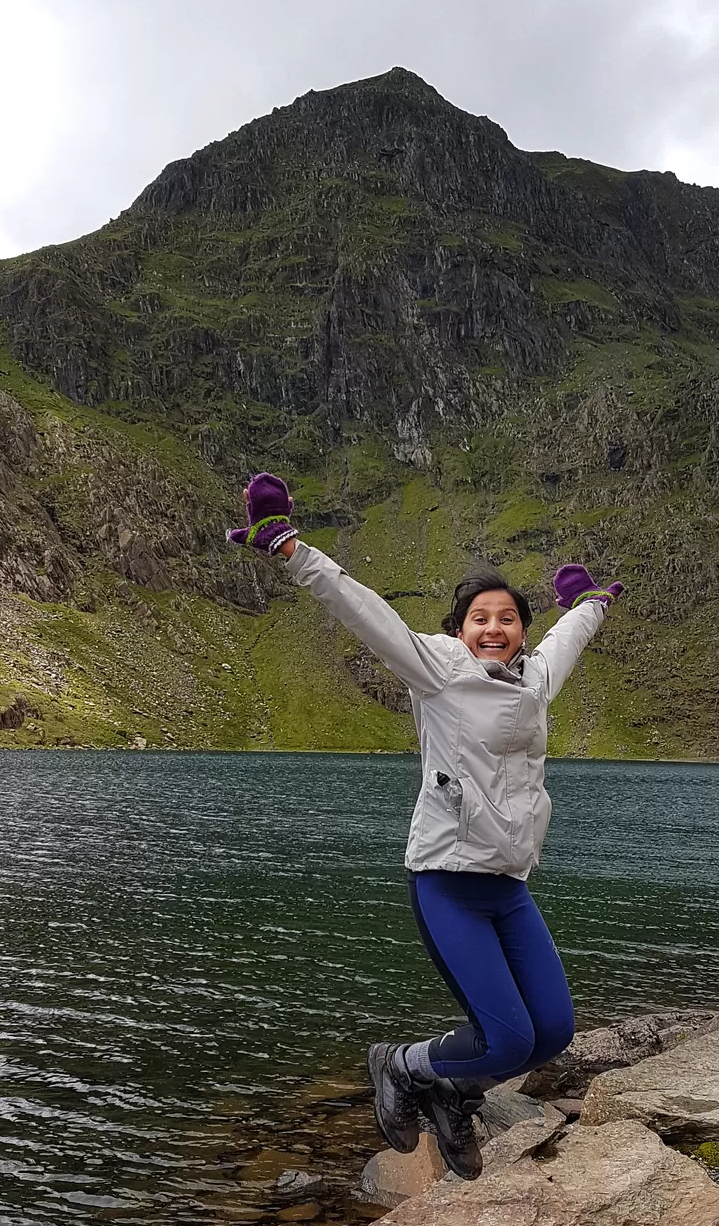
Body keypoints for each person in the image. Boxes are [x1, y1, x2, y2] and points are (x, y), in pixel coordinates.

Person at [227, 473, 624, 1180]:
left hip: (507, 886)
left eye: (507, 618)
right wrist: (292, 549)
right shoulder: (437, 671)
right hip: (447, 880)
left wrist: (589, 605)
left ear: (520, 630)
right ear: (459, 627)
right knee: (505, 1040)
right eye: (480, 618)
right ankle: (402, 1064)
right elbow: (365, 611)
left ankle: (449, 1093)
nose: (494, 628)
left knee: (552, 1032)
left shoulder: (533, 681)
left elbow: (567, 642)